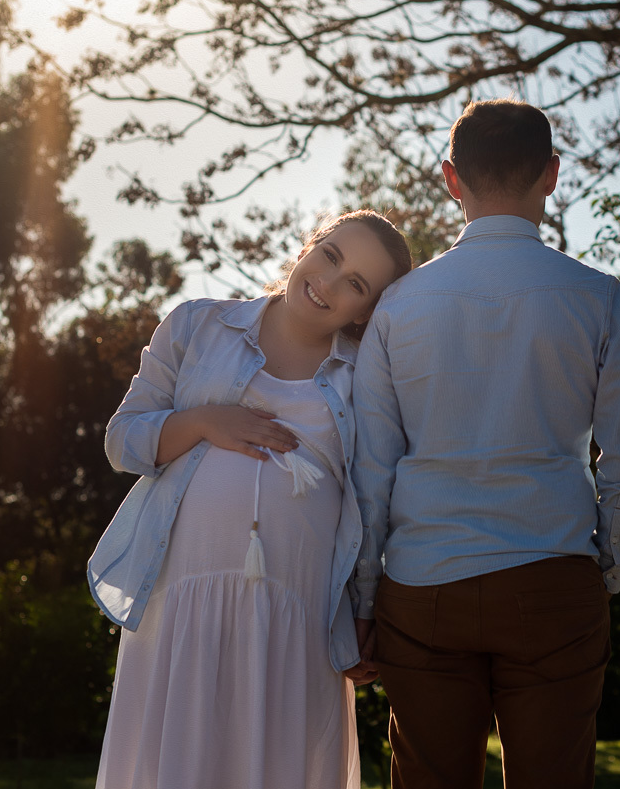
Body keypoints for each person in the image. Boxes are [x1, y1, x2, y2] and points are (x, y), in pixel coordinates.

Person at [350, 100, 620, 788]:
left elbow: (371, 469)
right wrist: (606, 567)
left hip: (423, 587)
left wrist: (365, 596)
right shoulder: (597, 297)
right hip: (554, 576)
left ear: (450, 179)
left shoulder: (398, 306)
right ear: (551, 174)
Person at [88, 209, 412, 789]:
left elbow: (373, 501)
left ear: (366, 311)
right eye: (330, 255)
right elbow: (123, 440)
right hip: (181, 603)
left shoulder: (366, 375)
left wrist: (366, 607)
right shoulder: (197, 326)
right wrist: (205, 421)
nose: (328, 283)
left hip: (297, 616)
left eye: (356, 284)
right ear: (309, 245)